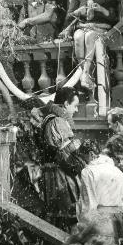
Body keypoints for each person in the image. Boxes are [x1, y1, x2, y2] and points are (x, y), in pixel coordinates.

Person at [30, 86, 85, 229]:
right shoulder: (57, 122)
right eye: (75, 106)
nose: (76, 110)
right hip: (61, 177)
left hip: (56, 174)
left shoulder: (53, 119)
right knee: (67, 218)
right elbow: (66, 157)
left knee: (61, 217)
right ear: (66, 104)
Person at [59, 0, 117, 90]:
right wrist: (77, 12)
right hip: (83, 27)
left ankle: (84, 74)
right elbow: (68, 19)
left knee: (89, 36)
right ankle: (85, 74)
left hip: (100, 29)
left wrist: (102, 10)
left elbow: (114, 18)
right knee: (78, 36)